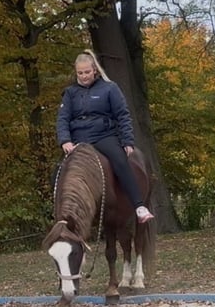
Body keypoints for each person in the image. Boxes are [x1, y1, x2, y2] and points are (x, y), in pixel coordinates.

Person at [56, 50, 155, 223]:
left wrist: (127, 141)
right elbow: (63, 118)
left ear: (94, 70)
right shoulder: (70, 93)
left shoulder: (109, 88)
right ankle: (60, 216)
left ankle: (139, 206)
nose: (84, 76)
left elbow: (122, 115)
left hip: (104, 136)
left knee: (121, 162)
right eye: (80, 73)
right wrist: (65, 140)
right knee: (58, 172)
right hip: (79, 140)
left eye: (87, 72)